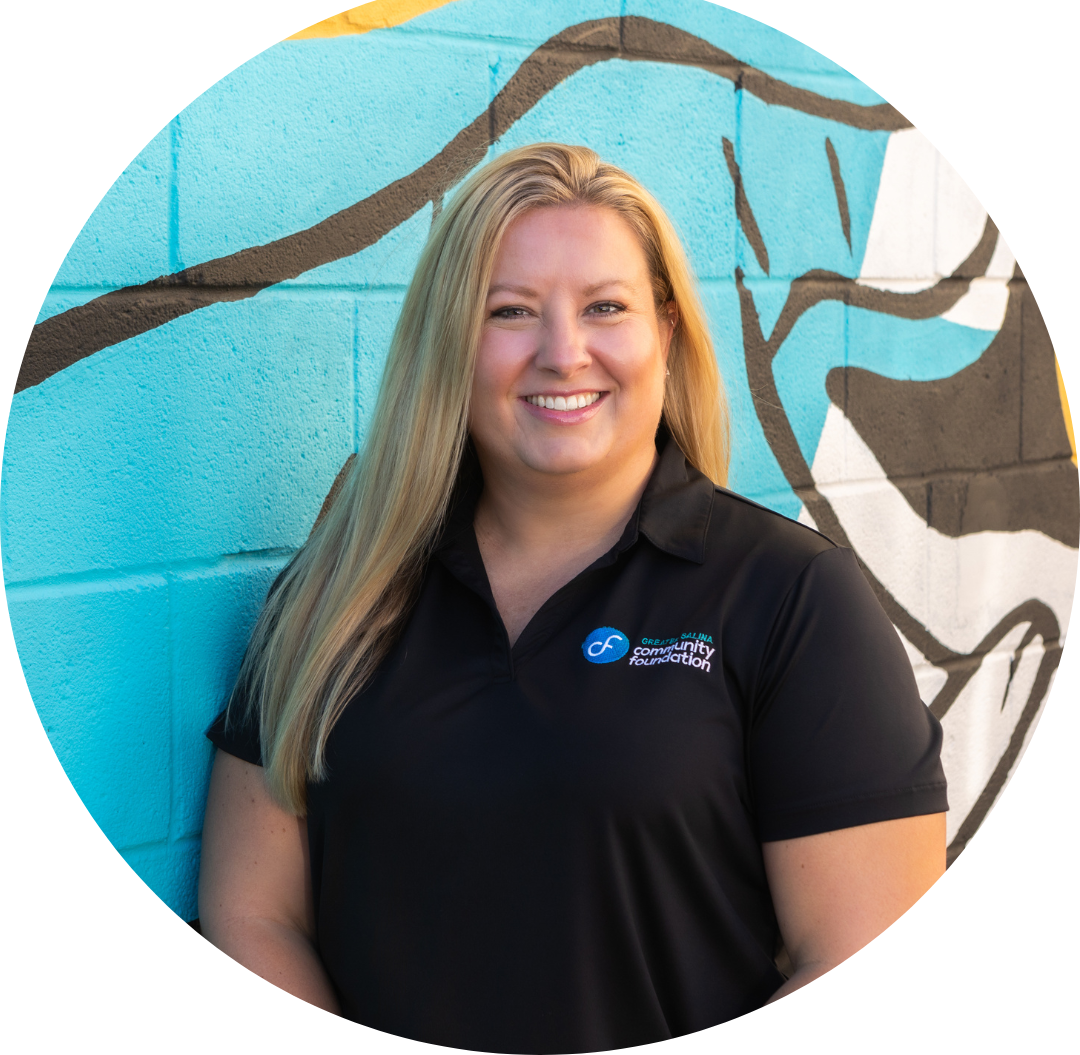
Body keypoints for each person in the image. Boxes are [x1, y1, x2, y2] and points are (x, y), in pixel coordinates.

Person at [199, 143, 947, 1052]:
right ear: (449, 342)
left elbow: (864, 964)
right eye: (509, 311)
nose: (563, 354)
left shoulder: (791, 599)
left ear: (665, 331)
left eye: (606, 307)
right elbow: (254, 916)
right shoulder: (335, 593)